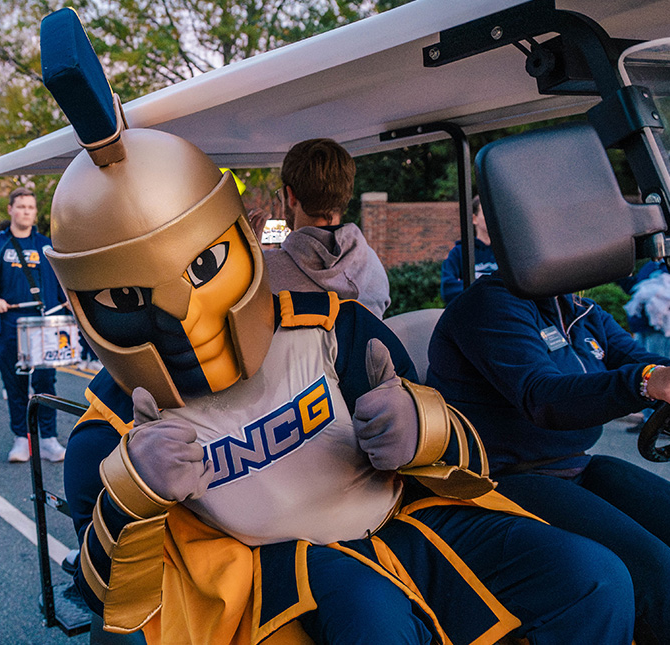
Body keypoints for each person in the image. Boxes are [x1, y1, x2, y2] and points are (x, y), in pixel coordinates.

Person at [39, 20, 634, 643]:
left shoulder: (335, 328)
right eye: (130, 298)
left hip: (403, 527)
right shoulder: (111, 426)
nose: (183, 316)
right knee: (371, 618)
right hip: (265, 581)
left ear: (241, 240)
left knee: (592, 576)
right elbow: (109, 600)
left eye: (203, 267)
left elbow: (467, 457)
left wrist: (419, 425)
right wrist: (135, 487)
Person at [426, 272, 670, 644]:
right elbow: (543, 396)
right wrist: (645, 381)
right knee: (659, 572)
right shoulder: (490, 305)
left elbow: (642, 360)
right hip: (502, 479)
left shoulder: (579, 310)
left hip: (577, 465)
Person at [0, 188, 68, 463]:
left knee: (46, 382)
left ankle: (48, 439)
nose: (26, 211)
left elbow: (61, 283)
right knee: (15, 384)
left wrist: (67, 301)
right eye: (21, 206)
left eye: (30, 207)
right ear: (10, 209)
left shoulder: (46, 245)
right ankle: (21, 438)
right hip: (8, 326)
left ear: (35, 212)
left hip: (43, 327)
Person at [259, 138, 391, 318]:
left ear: (291, 196)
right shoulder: (374, 267)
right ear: (345, 196)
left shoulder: (264, 273)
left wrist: (248, 257)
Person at [440, 196, 499, 305]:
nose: (492, 215)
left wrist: (470, 286)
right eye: (486, 211)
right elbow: (447, 289)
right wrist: (495, 288)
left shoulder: (506, 253)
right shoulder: (459, 252)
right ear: (474, 219)